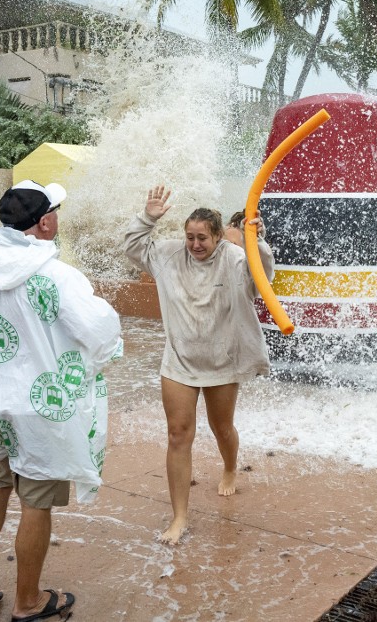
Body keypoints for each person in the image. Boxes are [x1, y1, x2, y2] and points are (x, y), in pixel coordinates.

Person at [0, 179, 122, 621]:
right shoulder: (57, 275)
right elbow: (100, 334)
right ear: (46, 221)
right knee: (35, 501)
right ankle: (28, 602)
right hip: (41, 412)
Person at [123, 186, 274, 545]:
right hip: (179, 360)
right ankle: (179, 518)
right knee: (178, 435)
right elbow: (132, 247)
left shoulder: (236, 258)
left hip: (222, 360)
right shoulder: (168, 255)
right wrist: (148, 217)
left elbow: (262, 276)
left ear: (219, 236)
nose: (195, 244)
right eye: (189, 237)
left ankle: (229, 467)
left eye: (202, 237)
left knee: (222, 429)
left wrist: (257, 241)